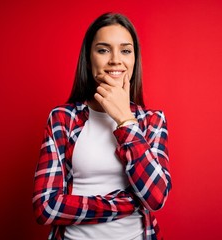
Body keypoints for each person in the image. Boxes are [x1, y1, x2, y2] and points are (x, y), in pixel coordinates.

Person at [33, 12, 172, 240]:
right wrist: (130, 202)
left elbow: (156, 198)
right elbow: (45, 207)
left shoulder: (152, 121)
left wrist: (125, 121)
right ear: (88, 59)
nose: (115, 60)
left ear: (134, 59)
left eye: (125, 50)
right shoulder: (62, 118)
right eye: (103, 50)